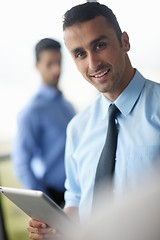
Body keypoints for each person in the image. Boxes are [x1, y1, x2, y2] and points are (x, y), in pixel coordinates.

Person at [28, 2, 160, 239]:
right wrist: (56, 228)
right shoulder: (77, 128)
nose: (93, 63)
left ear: (125, 42)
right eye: (80, 54)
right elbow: (76, 200)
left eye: (99, 45)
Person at [12, 38, 75, 207]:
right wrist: (46, 205)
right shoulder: (32, 111)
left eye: (59, 62)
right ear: (37, 66)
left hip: (78, 194)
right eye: (50, 64)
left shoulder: (67, 105)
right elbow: (21, 163)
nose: (57, 70)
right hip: (56, 197)